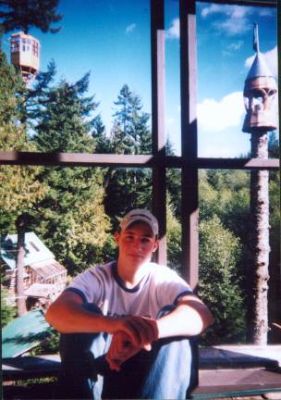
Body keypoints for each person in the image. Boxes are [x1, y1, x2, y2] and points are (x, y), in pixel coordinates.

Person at [46, 209, 213, 399]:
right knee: (84, 313)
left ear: (155, 245)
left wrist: (146, 332)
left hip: (151, 375)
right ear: (117, 238)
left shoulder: (163, 279)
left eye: (145, 239)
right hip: (100, 371)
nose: (137, 245)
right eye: (130, 237)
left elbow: (201, 314)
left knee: (177, 327)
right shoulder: (97, 277)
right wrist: (117, 325)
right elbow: (55, 313)